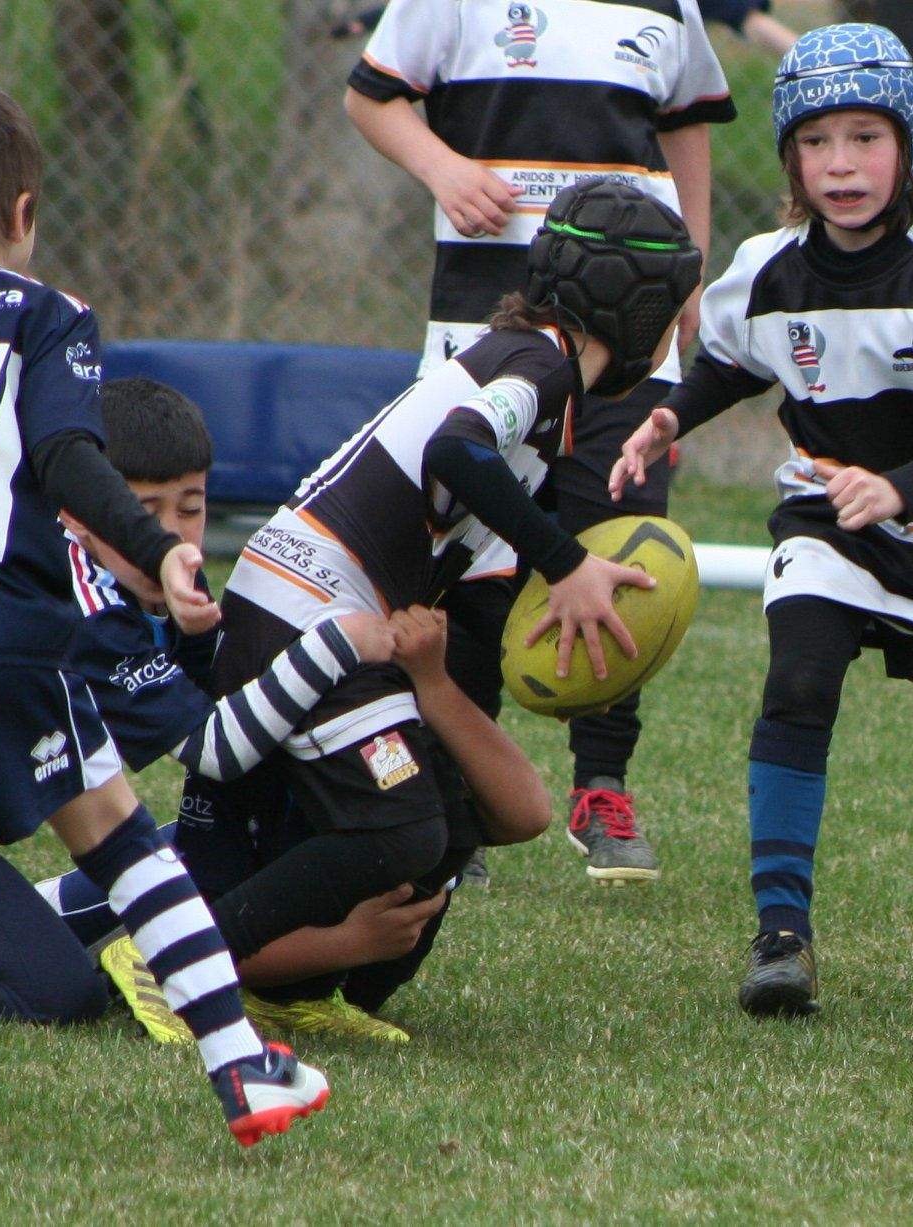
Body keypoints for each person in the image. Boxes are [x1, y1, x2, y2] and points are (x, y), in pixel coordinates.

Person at [0, 76, 326, 1147]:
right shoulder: (43, 314)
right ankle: (240, 1066)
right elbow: (68, 453)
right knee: (120, 834)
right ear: (22, 212)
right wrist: (160, 551)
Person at [612, 24, 913, 1017]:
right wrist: (669, 418)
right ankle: (782, 935)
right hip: (826, 522)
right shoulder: (768, 265)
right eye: (815, 142)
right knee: (798, 686)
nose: (840, 164)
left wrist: (898, 489)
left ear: (908, 144)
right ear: (790, 159)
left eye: (865, 137)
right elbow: (730, 361)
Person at [187, 178, 701, 1018]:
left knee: (450, 819)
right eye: (676, 313)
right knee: (403, 829)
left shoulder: (535, 376)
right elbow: (457, 451)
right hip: (303, 609)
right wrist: (567, 564)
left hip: (333, 611)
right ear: (636, 307)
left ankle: (311, 994)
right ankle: (180, 953)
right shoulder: (540, 364)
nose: (680, 333)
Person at [0, 377, 407, 1029]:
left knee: (202, 844)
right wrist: (337, 645)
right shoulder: (76, 600)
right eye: (142, 512)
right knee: (61, 993)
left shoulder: (168, 576)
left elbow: (219, 717)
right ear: (80, 511)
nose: (171, 533)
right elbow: (213, 747)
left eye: (191, 508)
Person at [345, 0, 736, 883]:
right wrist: (444, 168)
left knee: (620, 551)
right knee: (471, 569)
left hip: (632, 342)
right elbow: (370, 96)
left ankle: (603, 787)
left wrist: (691, 265)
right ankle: (456, 790)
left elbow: (687, 124)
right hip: (491, 329)